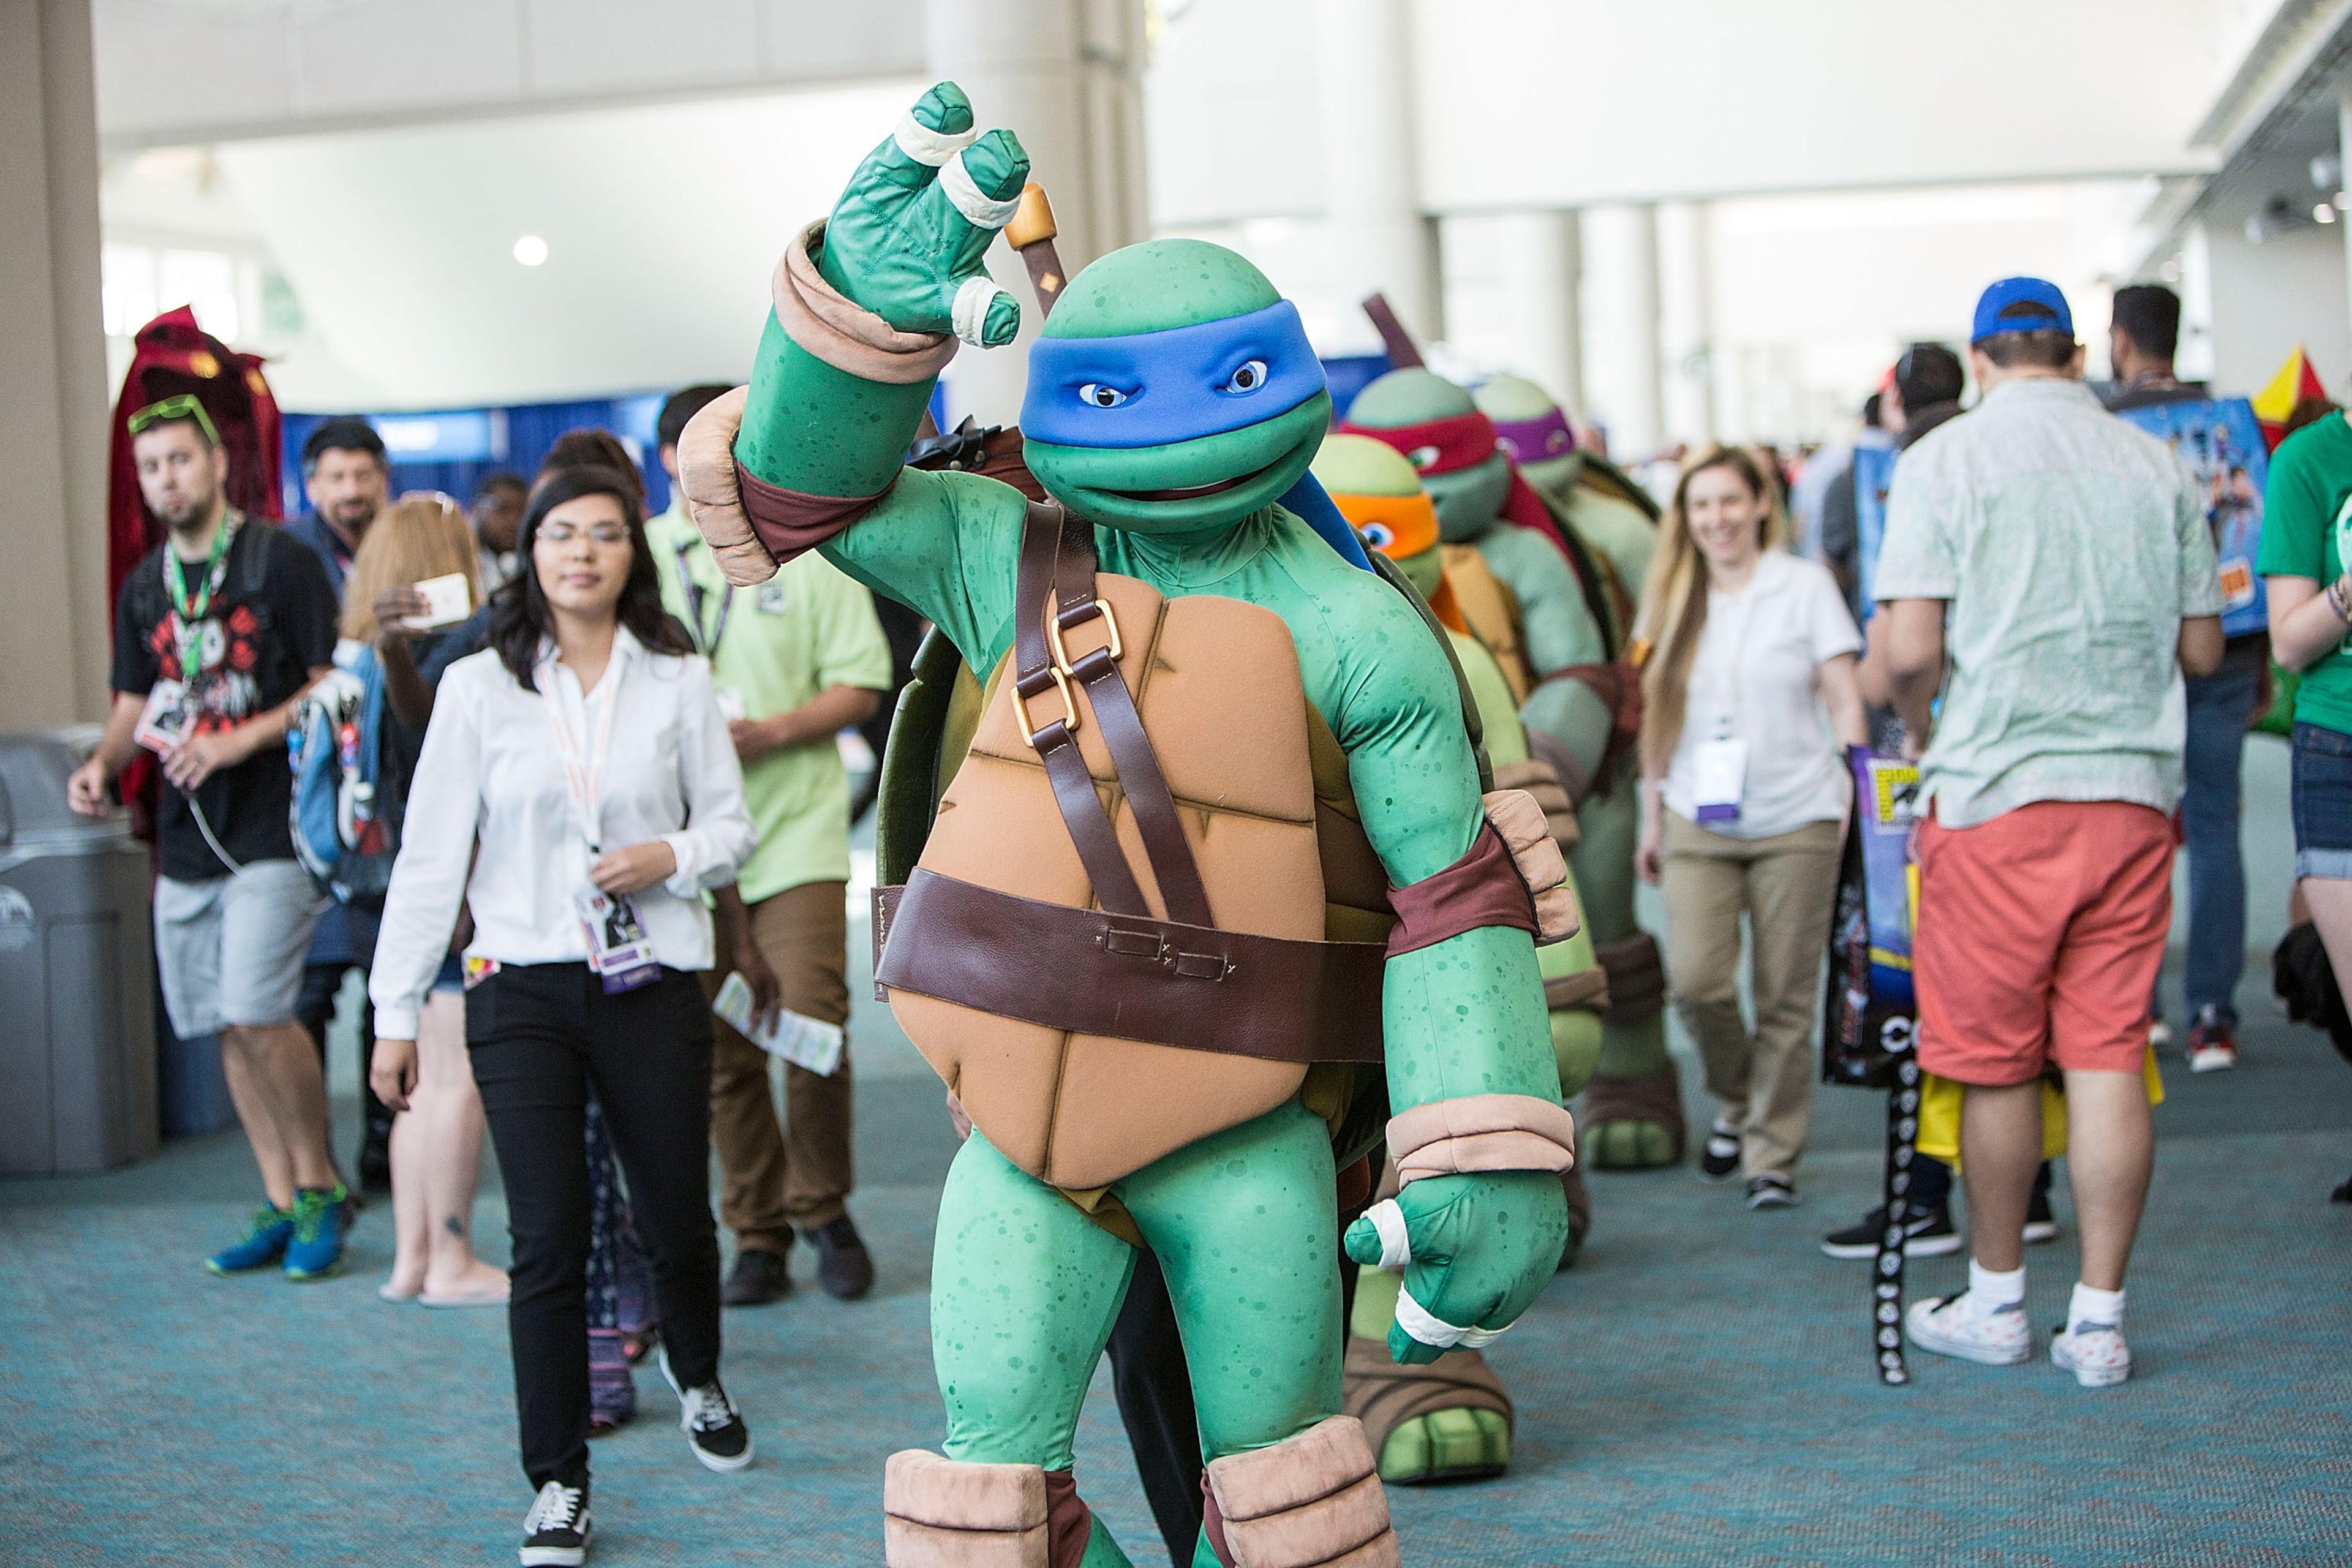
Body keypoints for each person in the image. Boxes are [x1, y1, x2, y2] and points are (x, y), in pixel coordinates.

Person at [370, 464, 758, 1560]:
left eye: (604, 535)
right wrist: (395, 1010)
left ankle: (699, 1373)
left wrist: (667, 855)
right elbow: (431, 858)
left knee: (678, 1217)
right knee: (546, 1237)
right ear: (530, 554)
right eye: (560, 536)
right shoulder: (478, 687)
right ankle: (556, 1479)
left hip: (651, 974)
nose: (581, 553)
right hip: (522, 983)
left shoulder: (676, 675)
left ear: (632, 553)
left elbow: (732, 828)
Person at [1876, 276, 2222, 1389]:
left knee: (1995, 1066)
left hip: (1993, 795)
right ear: (2076, 355)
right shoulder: (2156, 463)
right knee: (2110, 1052)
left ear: (1982, 361)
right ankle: (2102, 1324)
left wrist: (1927, 728)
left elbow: (1911, 650)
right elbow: (2207, 654)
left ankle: (1996, 1305)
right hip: (2130, 792)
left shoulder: (1942, 463)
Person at [67, 395, 349, 1280]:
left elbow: (331, 684)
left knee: (259, 1010)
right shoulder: (146, 584)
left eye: (180, 462)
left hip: (271, 828)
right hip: (186, 840)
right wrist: (105, 766)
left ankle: (323, 1188)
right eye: (151, 469)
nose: (167, 481)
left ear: (219, 463)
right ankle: (278, 1195)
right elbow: (130, 700)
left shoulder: (282, 559)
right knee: (225, 1027)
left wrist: (238, 738)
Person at [647, 383, 895, 1307]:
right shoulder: (635, 559)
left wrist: (769, 733)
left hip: (793, 831)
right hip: (681, 846)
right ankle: (755, 1230)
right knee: (723, 1044)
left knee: (813, 1024)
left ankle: (823, 1208)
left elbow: (862, 686)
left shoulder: (802, 556)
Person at [1634, 446, 1868, 1210]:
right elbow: (1655, 721)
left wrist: (1858, 797)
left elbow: (1844, 699)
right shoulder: (1670, 597)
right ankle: (1735, 1100)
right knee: (1698, 986)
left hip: (1799, 813)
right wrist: (1649, 816)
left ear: (1761, 504)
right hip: (1696, 816)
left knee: (1785, 998)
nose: (1717, 519)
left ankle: (1771, 1151)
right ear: (1686, 517)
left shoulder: (1805, 589)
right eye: (1701, 506)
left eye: (1730, 502)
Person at [341, 495, 507, 1307]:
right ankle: (449, 1260)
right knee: (452, 1078)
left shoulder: (359, 655)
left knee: (413, 1081)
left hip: (381, 884)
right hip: (450, 889)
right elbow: (434, 743)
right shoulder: (460, 648)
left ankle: (412, 1259)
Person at [2107, 283, 2257, 1073]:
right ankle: (2213, 1015)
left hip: (2136, 655)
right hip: (2231, 649)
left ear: (2119, 339)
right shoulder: (2229, 423)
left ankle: (2139, 1009)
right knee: (2218, 831)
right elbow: (2257, 548)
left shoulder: (2109, 430)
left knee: (2136, 833)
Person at [285, 415, 398, 1185]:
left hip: (391, 804)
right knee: (307, 994)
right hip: (314, 812)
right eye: (336, 476)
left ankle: (384, 1152)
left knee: (386, 991)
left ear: (382, 478)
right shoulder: (288, 561)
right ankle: (312, 1164)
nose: (351, 490)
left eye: (363, 475)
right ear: (311, 484)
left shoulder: (410, 553)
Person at [471, 471, 527, 594]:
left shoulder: (533, 560)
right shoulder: (460, 559)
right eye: (503, 510)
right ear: (478, 509)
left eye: (522, 512)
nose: (513, 522)